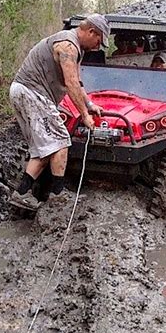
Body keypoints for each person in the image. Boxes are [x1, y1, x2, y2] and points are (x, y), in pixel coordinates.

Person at [9, 14, 111, 210]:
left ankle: (22, 193)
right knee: (61, 142)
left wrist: (89, 105)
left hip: (23, 91)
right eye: (99, 40)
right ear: (91, 31)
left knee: (44, 147)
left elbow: (77, 82)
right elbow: (71, 84)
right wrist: (84, 115)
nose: (98, 46)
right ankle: (58, 196)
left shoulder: (74, 48)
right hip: (33, 93)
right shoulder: (68, 46)